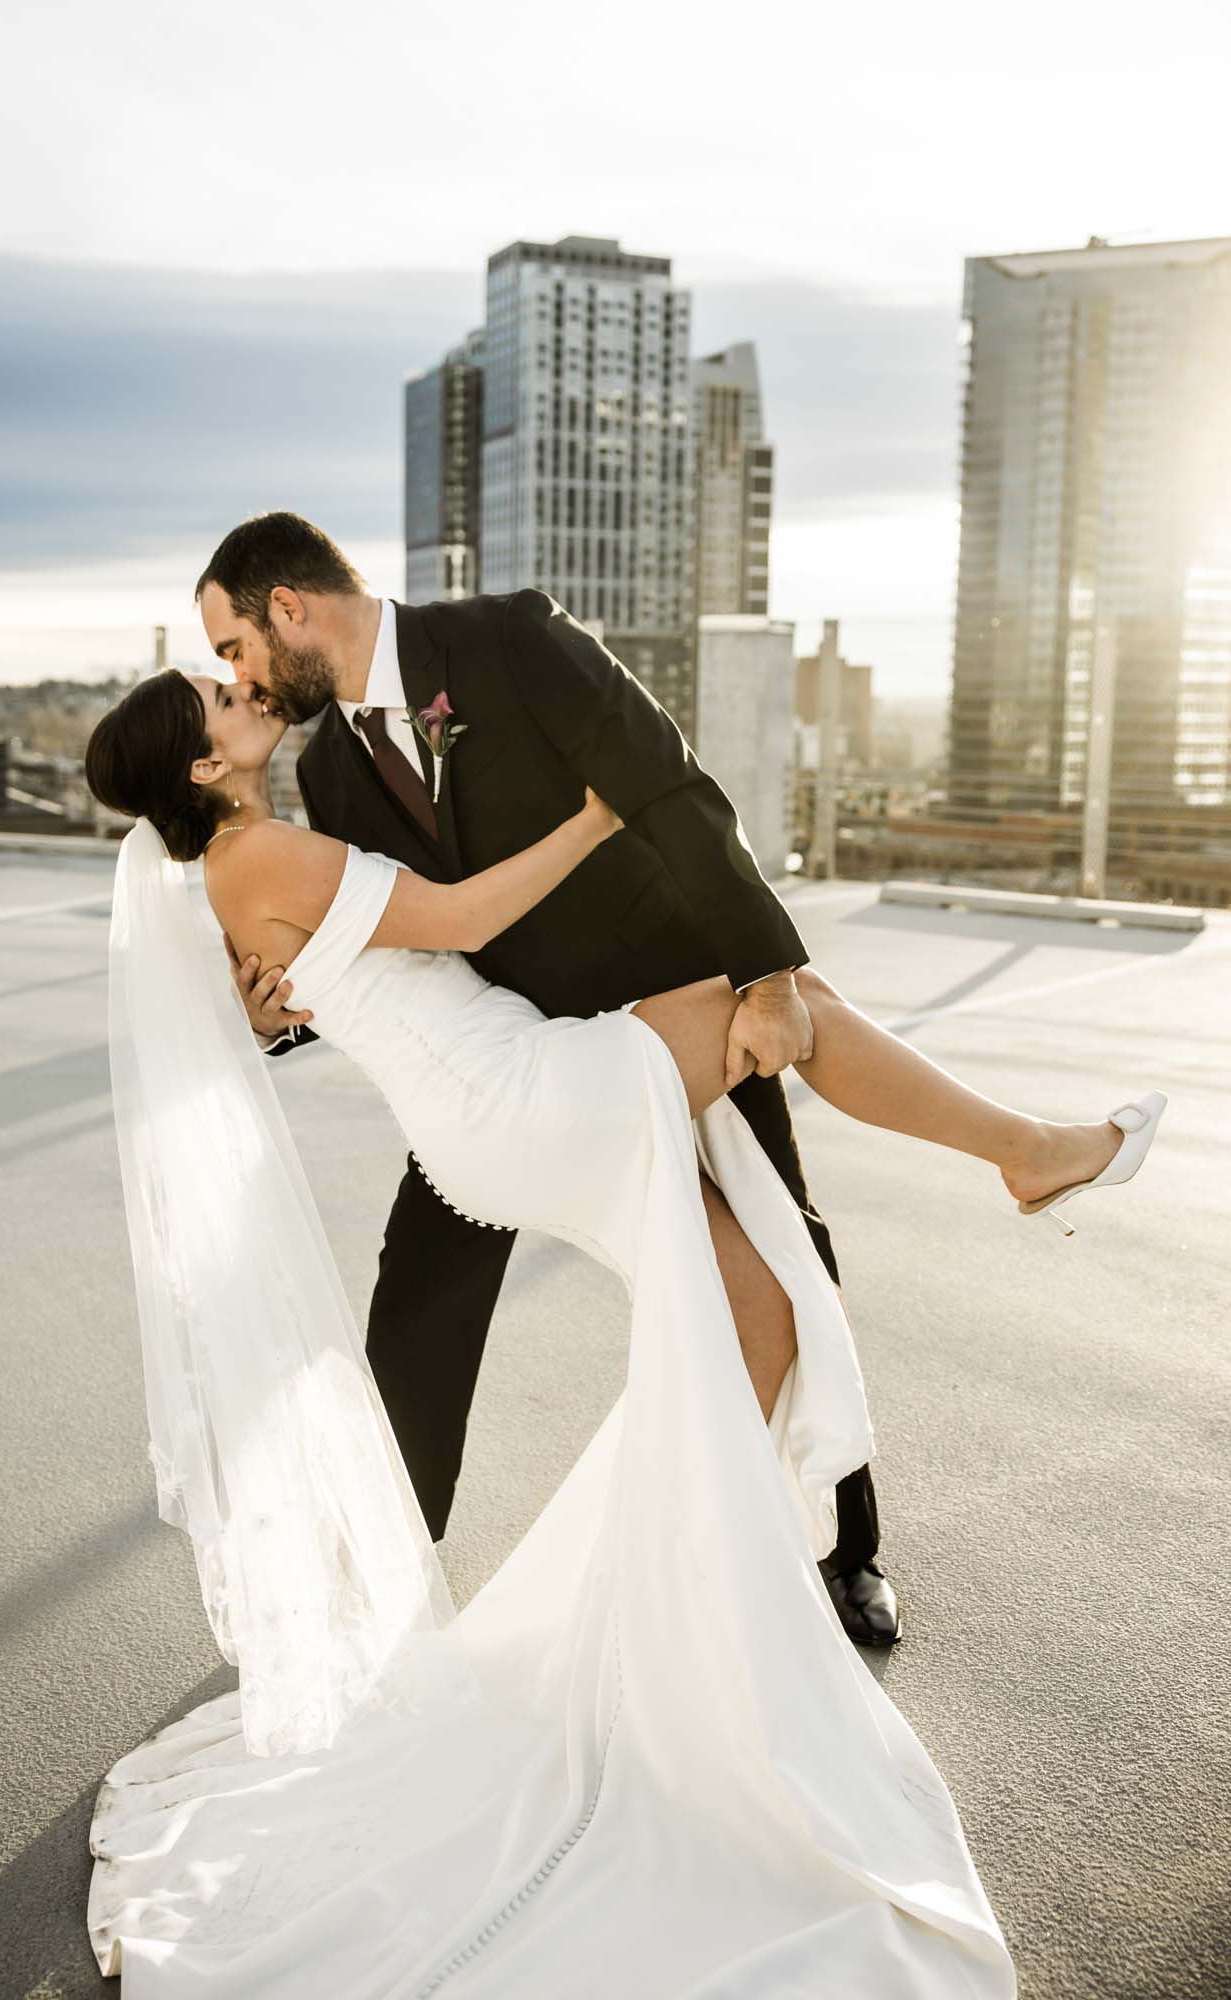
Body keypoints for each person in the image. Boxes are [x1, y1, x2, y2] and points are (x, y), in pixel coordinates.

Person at [81, 658, 1164, 1997]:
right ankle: (1031, 1153)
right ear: (201, 766)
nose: (246, 692)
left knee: (756, 1319)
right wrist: (604, 811)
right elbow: (464, 910)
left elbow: (332, 971)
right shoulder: (264, 854)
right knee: (790, 1003)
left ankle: (674, 1630)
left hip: (501, 1102)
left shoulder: (253, 860)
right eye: (221, 700)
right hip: (515, 1095)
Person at [201, 511, 904, 1646]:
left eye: (234, 646)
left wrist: (769, 970)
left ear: (288, 608)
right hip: (507, 1066)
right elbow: (397, 954)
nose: (241, 674)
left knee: (789, 1241)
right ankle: (390, 1554)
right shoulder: (331, 766)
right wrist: (284, 1014)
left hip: (667, 1005)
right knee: (419, 1286)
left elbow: (671, 786)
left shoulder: (508, 636)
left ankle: (844, 1546)